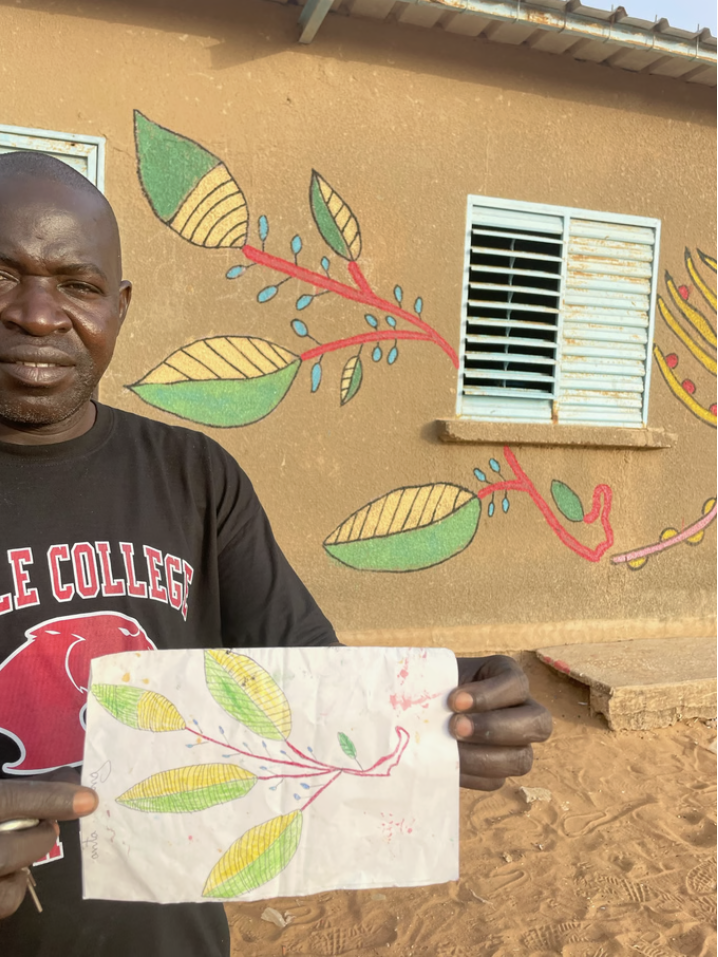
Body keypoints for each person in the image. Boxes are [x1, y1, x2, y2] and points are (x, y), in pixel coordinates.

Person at [0, 152, 552, 956]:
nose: (40, 316)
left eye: (78, 286)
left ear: (118, 307)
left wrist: (436, 707)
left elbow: (302, 683)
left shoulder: (193, 477)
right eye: (3, 274)